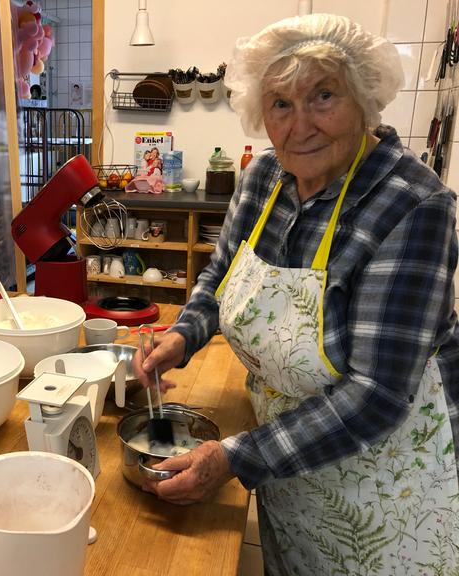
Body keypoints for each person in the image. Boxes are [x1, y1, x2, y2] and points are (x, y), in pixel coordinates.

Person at [133, 13, 459, 575]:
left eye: (323, 96)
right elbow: (219, 279)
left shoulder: (413, 205)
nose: (299, 125)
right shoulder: (264, 179)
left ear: (365, 101)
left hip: (389, 477)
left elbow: (378, 392)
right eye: (281, 103)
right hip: (289, 459)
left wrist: (235, 457)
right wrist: (181, 336)